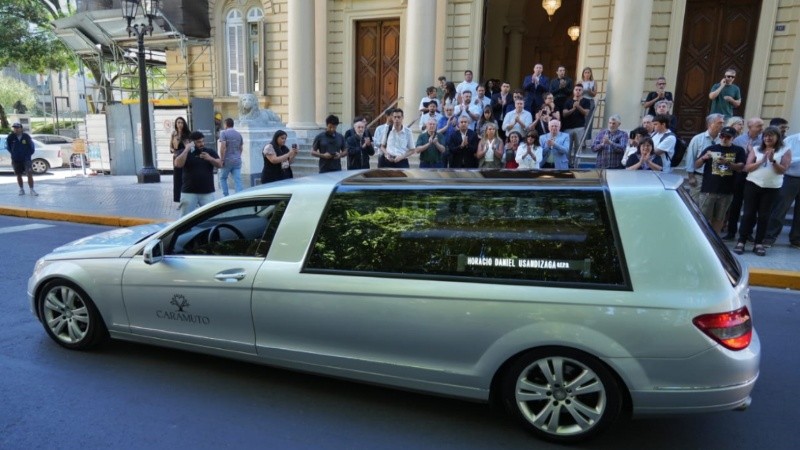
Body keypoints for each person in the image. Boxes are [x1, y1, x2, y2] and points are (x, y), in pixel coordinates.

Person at [734, 127, 791, 256]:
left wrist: (773, 161)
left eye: (771, 136)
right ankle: (741, 241)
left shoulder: (785, 150)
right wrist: (761, 161)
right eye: (765, 136)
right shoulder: (756, 149)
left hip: (771, 188)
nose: (767, 138)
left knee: (764, 216)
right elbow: (746, 168)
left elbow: (782, 170)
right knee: (748, 214)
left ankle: (758, 243)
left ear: (777, 138)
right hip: (753, 185)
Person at [693, 126, 747, 233]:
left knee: (719, 218)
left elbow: (741, 167)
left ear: (733, 138)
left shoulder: (738, 150)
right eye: (722, 136)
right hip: (709, 189)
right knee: (703, 217)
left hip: (727, 190)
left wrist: (727, 162)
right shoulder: (711, 149)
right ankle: (702, 237)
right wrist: (704, 158)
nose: (724, 138)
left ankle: (715, 239)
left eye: (728, 137)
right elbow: (696, 165)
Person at [724, 117, 764, 240]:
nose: (761, 128)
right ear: (750, 126)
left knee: (752, 206)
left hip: (755, 175)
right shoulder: (738, 140)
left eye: (762, 126)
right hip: (740, 175)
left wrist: (753, 154)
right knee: (735, 204)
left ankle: (748, 233)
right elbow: (732, 157)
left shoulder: (764, 141)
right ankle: (731, 232)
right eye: (758, 126)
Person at [763, 132, 800, 248]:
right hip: (791, 177)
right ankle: (770, 236)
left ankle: (796, 238)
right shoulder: (791, 139)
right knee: (781, 207)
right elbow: (781, 157)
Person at [174, 131, 222, 216]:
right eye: (199, 142)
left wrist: (210, 158)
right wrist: (186, 150)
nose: (202, 144)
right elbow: (178, 164)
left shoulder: (209, 152)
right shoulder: (185, 152)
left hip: (207, 192)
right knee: (185, 218)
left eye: (203, 141)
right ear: (192, 142)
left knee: (211, 217)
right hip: (189, 192)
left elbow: (220, 164)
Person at [684, 113, 724, 201]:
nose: (722, 125)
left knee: (709, 204)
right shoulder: (697, 139)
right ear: (710, 124)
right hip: (699, 177)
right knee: (695, 202)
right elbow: (690, 158)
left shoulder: (722, 140)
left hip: (715, 177)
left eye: (722, 123)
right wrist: (691, 176)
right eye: (719, 123)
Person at [6, 122, 38, 196]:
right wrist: (14, 154)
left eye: (17, 128)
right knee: (18, 174)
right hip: (16, 159)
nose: (16, 129)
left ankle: (32, 190)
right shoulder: (11, 137)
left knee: (29, 174)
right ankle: (21, 189)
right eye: (14, 128)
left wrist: (27, 155)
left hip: (26, 159)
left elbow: (31, 147)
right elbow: (8, 147)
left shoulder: (26, 136)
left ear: (21, 128)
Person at [561, 84, 592, 159]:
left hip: (580, 127)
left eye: (579, 90)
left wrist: (578, 106)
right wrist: (573, 109)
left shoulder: (586, 101)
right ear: (573, 91)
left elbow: (586, 113)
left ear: (582, 91)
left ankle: (576, 165)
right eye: (576, 90)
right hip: (568, 128)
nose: (577, 91)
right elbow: (564, 114)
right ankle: (566, 165)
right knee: (567, 148)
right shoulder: (568, 101)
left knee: (578, 149)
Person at [217, 118, 244, 197]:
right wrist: (238, 156)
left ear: (226, 124)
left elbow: (223, 147)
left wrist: (222, 159)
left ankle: (226, 196)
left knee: (223, 178)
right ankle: (239, 196)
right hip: (237, 160)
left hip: (227, 160)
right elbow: (241, 148)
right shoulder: (238, 134)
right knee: (238, 180)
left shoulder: (224, 133)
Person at [170, 116, 191, 203]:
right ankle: (178, 199)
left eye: (181, 123)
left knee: (186, 178)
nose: (180, 124)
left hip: (186, 157)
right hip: (177, 157)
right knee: (177, 178)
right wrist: (173, 151)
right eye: (178, 122)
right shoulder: (173, 134)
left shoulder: (188, 134)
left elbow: (190, 146)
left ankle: (188, 198)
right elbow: (171, 146)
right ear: (176, 124)